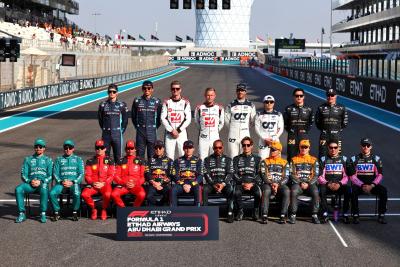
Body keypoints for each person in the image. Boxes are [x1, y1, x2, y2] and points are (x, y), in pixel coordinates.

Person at [349, 138, 387, 224]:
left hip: (372, 185)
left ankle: (381, 215)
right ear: (360, 146)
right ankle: (355, 215)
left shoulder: (376, 159)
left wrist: (372, 185)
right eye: (364, 145)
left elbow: (380, 175)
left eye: (368, 145)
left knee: (383, 191)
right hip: (359, 185)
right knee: (352, 190)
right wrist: (362, 185)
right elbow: (352, 176)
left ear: (371, 147)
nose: (365, 147)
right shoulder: (354, 159)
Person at [15, 138, 53, 223]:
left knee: (44, 188)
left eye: (40, 146)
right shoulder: (28, 159)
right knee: (18, 189)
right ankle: (22, 213)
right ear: (34, 148)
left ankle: (43, 213)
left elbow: (51, 175)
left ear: (44, 148)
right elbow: (23, 174)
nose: (38, 148)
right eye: (36, 146)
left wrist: (41, 181)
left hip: (42, 183)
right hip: (30, 184)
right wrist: (29, 181)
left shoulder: (48, 160)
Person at [49, 139, 84, 222]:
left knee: (77, 193)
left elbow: (81, 174)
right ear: (63, 149)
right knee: (52, 193)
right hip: (61, 183)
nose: (68, 149)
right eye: (66, 147)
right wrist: (61, 182)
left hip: (73, 183)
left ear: (73, 149)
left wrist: (73, 182)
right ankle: (57, 212)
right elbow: (55, 173)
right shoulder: (58, 159)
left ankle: (75, 212)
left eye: (70, 147)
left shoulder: (78, 159)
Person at [318, 139, 351, 224]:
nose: (333, 149)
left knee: (348, 190)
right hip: (327, 185)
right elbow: (320, 176)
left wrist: (340, 184)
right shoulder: (323, 159)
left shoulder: (344, 159)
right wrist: (328, 183)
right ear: (328, 148)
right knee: (321, 190)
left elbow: (346, 176)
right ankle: (325, 213)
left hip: (339, 185)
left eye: (335, 147)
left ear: (338, 148)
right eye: (331, 147)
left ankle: (345, 213)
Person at [81, 140, 115, 220]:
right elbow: (87, 176)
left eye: (101, 147)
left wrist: (103, 183)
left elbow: (111, 175)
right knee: (84, 194)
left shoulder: (110, 160)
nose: (99, 149)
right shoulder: (90, 161)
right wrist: (93, 183)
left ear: (105, 149)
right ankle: (94, 209)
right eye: (97, 148)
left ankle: (104, 210)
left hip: (105, 184)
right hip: (94, 184)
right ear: (95, 149)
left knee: (107, 194)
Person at [289, 139, 320, 224]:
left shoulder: (314, 160)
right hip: (298, 184)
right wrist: (300, 183)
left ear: (309, 148)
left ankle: (314, 215)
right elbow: (291, 174)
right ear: (299, 147)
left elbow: (316, 174)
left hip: (310, 184)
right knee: (294, 191)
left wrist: (308, 183)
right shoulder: (294, 159)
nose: (304, 149)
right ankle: (293, 214)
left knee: (315, 191)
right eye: (302, 147)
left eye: (306, 147)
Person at [203, 140, 235, 223]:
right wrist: (213, 184)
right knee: (204, 189)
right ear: (213, 148)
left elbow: (230, 173)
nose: (218, 149)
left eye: (220, 147)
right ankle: (205, 214)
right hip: (212, 184)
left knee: (230, 189)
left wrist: (223, 184)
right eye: (216, 147)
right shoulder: (207, 159)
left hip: (224, 184)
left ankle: (230, 212)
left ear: (222, 148)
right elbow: (206, 174)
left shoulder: (228, 159)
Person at [259, 141, 290, 224]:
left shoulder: (285, 163)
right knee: (267, 191)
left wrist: (278, 184)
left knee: (287, 191)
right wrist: (272, 184)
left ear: (279, 151)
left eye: (273, 150)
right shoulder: (264, 161)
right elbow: (263, 176)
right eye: (271, 149)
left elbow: (286, 177)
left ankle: (283, 215)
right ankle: (264, 215)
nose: (271, 151)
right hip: (268, 184)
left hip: (280, 184)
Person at [232, 137, 262, 221]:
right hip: (241, 183)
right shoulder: (236, 159)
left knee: (257, 193)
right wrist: (242, 183)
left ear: (252, 146)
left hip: (253, 183)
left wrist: (252, 183)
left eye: (248, 145)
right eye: (244, 145)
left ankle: (255, 210)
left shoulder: (258, 159)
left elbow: (259, 174)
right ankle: (240, 211)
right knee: (237, 192)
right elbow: (234, 173)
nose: (246, 147)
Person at [131, 80, 162, 160]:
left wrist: (154, 127)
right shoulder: (137, 101)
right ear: (142, 89)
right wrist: (138, 127)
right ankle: (140, 172)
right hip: (140, 131)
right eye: (145, 88)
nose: (147, 90)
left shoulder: (157, 101)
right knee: (139, 155)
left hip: (152, 131)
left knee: (152, 156)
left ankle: (150, 172)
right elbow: (133, 117)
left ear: (152, 89)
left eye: (149, 88)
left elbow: (159, 118)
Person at [98, 83, 129, 162]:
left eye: (114, 92)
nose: (112, 93)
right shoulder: (102, 105)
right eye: (110, 92)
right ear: (107, 93)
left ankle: (117, 174)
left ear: (117, 93)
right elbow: (100, 120)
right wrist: (105, 129)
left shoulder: (122, 105)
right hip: (106, 135)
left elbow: (125, 120)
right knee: (105, 158)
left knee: (118, 158)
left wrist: (121, 131)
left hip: (117, 134)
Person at [161, 81, 192, 159]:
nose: (175, 90)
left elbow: (188, 119)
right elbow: (163, 118)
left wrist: (178, 130)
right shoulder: (166, 102)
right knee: (169, 157)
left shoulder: (185, 103)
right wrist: (172, 130)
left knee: (183, 156)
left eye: (177, 89)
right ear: (171, 90)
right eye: (173, 89)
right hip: (169, 133)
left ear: (180, 90)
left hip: (181, 133)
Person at [225, 83, 256, 159]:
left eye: (242, 90)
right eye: (238, 90)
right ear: (236, 91)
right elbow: (226, 120)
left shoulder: (251, 105)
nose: (240, 92)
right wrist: (233, 128)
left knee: (245, 157)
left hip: (245, 133)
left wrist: (246, 127)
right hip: (233, 134)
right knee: (233, 157)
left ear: (245, 92)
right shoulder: (230, 105)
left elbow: (253, 120)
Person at [111, 140, 146, 208]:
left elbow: (143, 177)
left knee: (142, 194)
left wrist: (135, 184)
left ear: (135, 149)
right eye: (128, 148)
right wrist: (124, 183)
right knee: (114, 194)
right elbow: (116, 176)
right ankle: (124, 209)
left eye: (132, 148)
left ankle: (134, 209)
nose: (130, 150)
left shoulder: (141, 161)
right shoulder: (120, 161)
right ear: (125, 149)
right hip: (124, 185)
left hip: (135, 185)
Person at [315, 88, 348, 158]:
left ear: (336, 96)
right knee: (322, 155)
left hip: (336, 136)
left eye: (332, 95)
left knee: (336, 155)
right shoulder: (321, 108)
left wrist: (337, 130)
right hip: (324, 135)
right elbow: (317, 122)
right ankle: (322, 168)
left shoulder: (342, 108)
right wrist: (324, 130)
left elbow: (344, 123)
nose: (330, 97)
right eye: (328, 95)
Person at [283, 88, 314, 162]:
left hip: (303, 135)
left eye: (301, 95)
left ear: (304, 97)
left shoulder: (309, 109)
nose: (299, 97)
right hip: (292, 135)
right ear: (294, 97)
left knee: (304, 155)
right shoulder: (288, 108)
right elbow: (285, 122)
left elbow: (311, 122)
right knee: (291, 155)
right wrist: (290, 131)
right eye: (297, 96)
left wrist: (305, 131)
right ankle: (291, 172)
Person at [194, 87, 224, 160]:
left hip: (215, 137)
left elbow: (221, 123)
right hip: (203, 138)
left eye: (211, 95)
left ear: (215, 96)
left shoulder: (219, 108)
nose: (210, 97)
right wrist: (203, 130)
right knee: (202, 159)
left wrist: (215, 131)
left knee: (215, 159)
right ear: (205, 95)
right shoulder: (199, 108)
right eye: (208, 95)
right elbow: (196, 122)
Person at [170, 140, 203, 207]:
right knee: (173, 189)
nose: (188, 150)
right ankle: (174, 212)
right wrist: (183, 185)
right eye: (186, 148)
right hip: (181, 184)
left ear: (193, 149)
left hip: (193, 184)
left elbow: (200, 176)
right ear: (183, 149)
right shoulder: (177, 161)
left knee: (198, 189)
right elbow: (174, 175)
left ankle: (198, 211)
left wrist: (190, 185)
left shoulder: (198, 160)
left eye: (190, 148)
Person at [255, 95, 284, 160]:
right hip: (263, 141)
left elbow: (280, 128)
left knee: (276, 160)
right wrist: (264, 138)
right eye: (267, 102)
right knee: (262, 160)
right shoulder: (259, 114)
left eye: (271, 102)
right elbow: (257, 129)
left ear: (274, 103)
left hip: (275, 140)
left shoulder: (278, 114)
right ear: (263, 103)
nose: (269, 103)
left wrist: (273, 138)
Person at [145, 141, 174, 206]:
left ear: (163, 148)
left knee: (169, 194)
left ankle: (162, 207)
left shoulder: (169, 161)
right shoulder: (149, 160)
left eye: (160, 148)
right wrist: (154, 183)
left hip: (164, 184)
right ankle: (157, 206)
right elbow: (147, 173)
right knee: (148, 196)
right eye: (156, 148)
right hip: (153, 184)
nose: (158, 150)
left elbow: (171, 175)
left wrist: (160, 183)